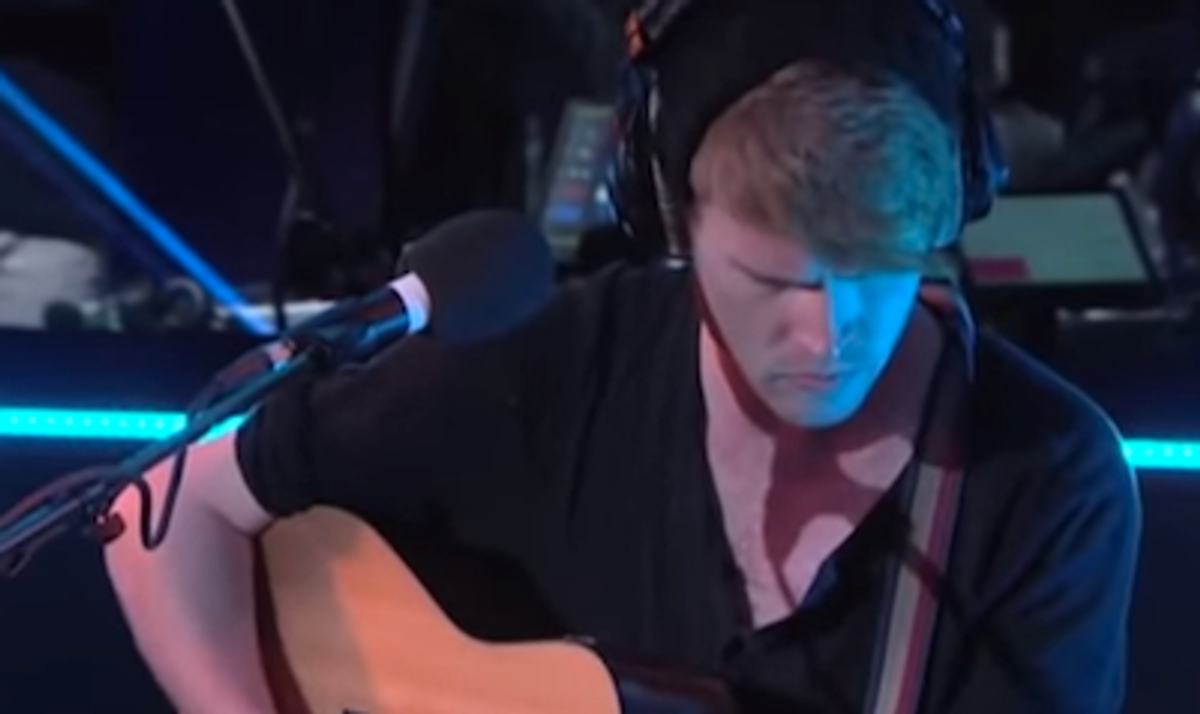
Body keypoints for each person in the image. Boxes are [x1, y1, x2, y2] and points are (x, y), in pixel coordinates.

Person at [104, 0, 1141, 712]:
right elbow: (163, 508)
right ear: (672, 218)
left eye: (877, 272)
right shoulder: (555, 362)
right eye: (771, 280)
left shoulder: (1042, 484)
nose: (829, 337)